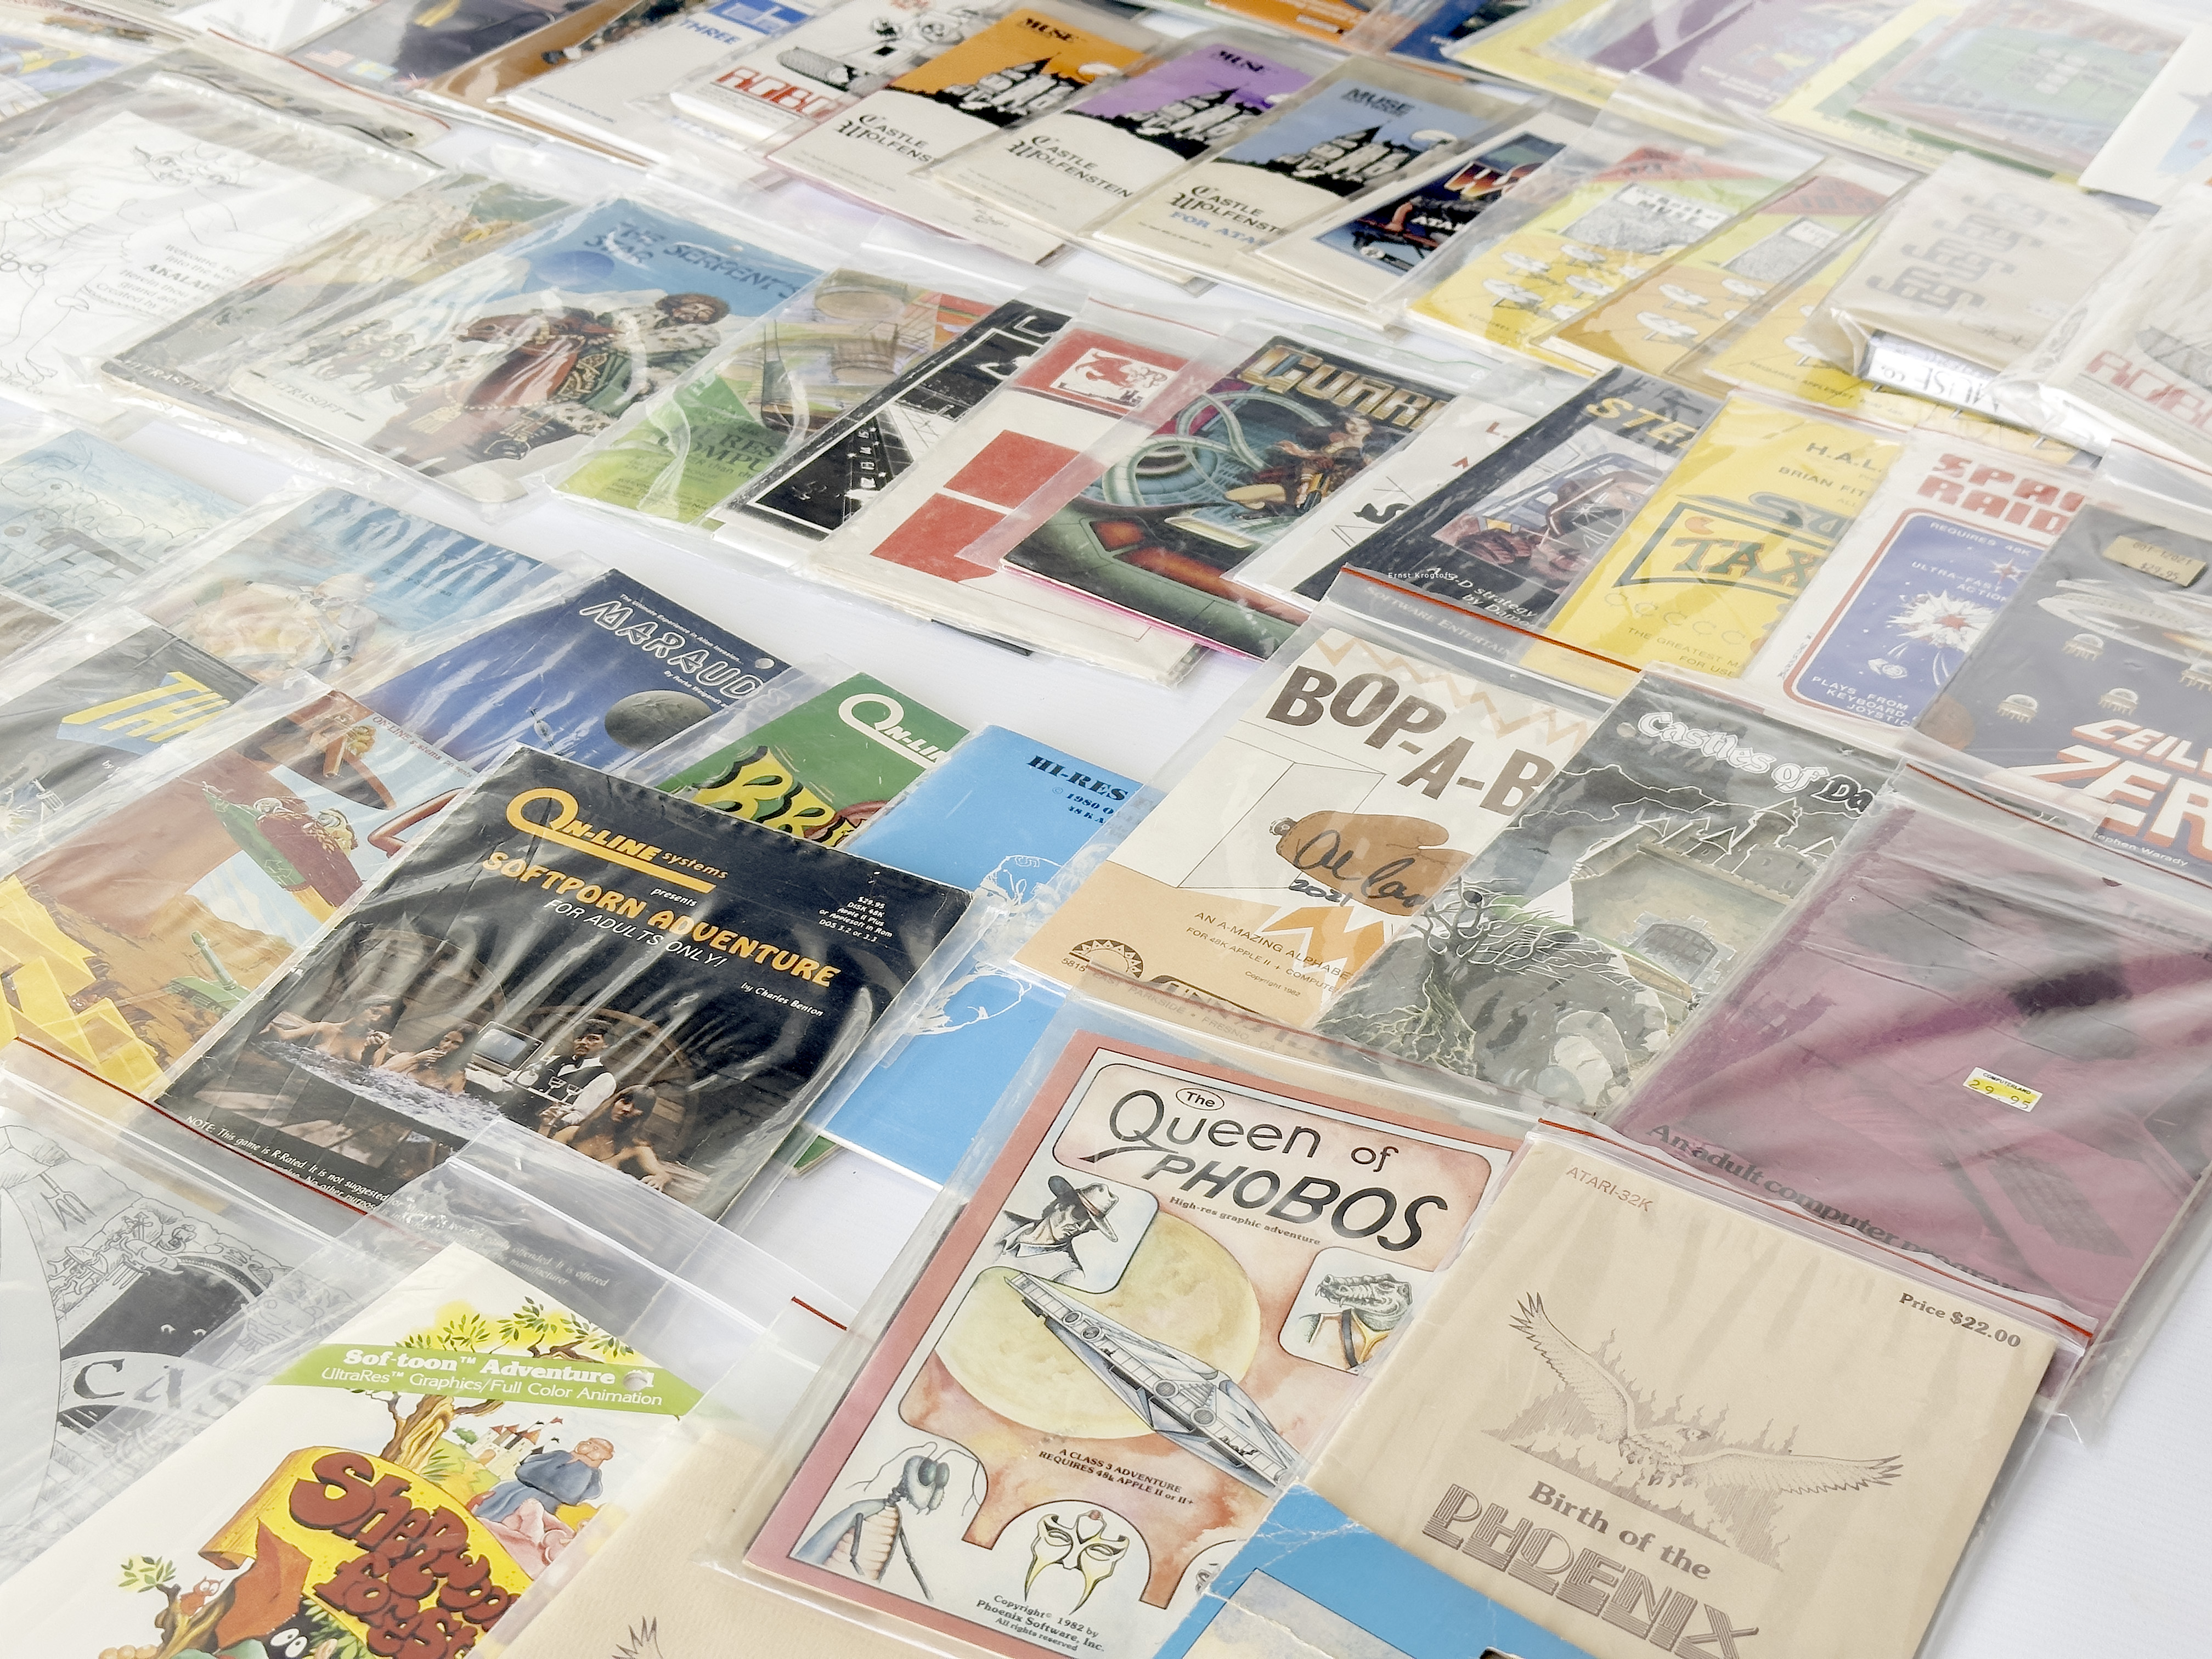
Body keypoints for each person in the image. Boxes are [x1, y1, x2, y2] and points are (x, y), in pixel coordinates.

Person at [467, 1437, 615, 1576]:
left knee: (517, 1523)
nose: (588, 1448)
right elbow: (530, 1464)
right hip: (517, 1488)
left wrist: (581, 1466)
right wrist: (568, 1459)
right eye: (589, 1443)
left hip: (545, 1502)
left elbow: (575, 1494)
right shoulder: (561, 1456)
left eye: (596, 1448)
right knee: (492, 1508)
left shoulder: (590, 1474)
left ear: (604, 1456)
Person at [554, 1086, 672, 1190]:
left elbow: (663, 1175)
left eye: (637, 1107)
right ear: (614, 1102)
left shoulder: (636, 1148)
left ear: (643, 1115)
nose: (627, 1109)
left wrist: (661, 1179)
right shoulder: (574, 1132)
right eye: (625, 1102)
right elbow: (547, 1154)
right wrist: (547, 1124)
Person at [264, 995, 401, 1065]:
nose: (376, 1019)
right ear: (361, 1008)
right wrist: (267, 1024)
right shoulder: (326, 1029)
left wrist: (369, 1053)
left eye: (383, 1018)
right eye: (374, 1012)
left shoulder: (379, 1043)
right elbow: (284, 1036)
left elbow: (367, 1078)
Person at [380, 1023, 476, 1093]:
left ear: (464, 1049)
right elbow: (378, 1073)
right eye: (446, 1040)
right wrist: (416, 1059)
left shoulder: (456, 1076)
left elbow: (450, 1104)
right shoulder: (407, 1057)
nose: (446, 1046)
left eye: (456, 1043)